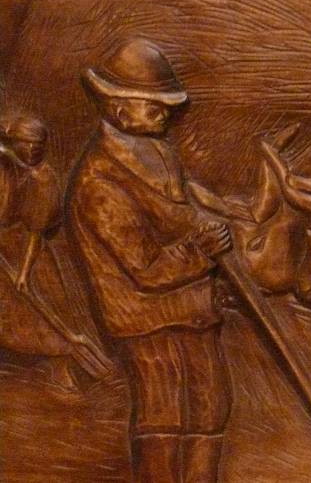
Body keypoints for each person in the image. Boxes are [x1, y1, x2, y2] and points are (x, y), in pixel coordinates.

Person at [67, 38, 234, 483]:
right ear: (120, 110)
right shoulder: (99, 184)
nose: (166, 114)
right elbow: (145, 267)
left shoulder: (156, 151)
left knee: (210, 408)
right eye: (155, 106)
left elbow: (176, 213)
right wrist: (201, 251)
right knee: (164, 414)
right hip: (146, 319)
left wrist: (210, 223)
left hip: (191, 308)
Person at [0, 112, 105, 391]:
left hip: (26, 248)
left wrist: (24, 272)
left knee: (46, 308)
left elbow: (36, 231)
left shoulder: (43, 179)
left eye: (37, 145)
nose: (32, 149)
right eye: (25, 143)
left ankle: (63, 366)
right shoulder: (5, 167)